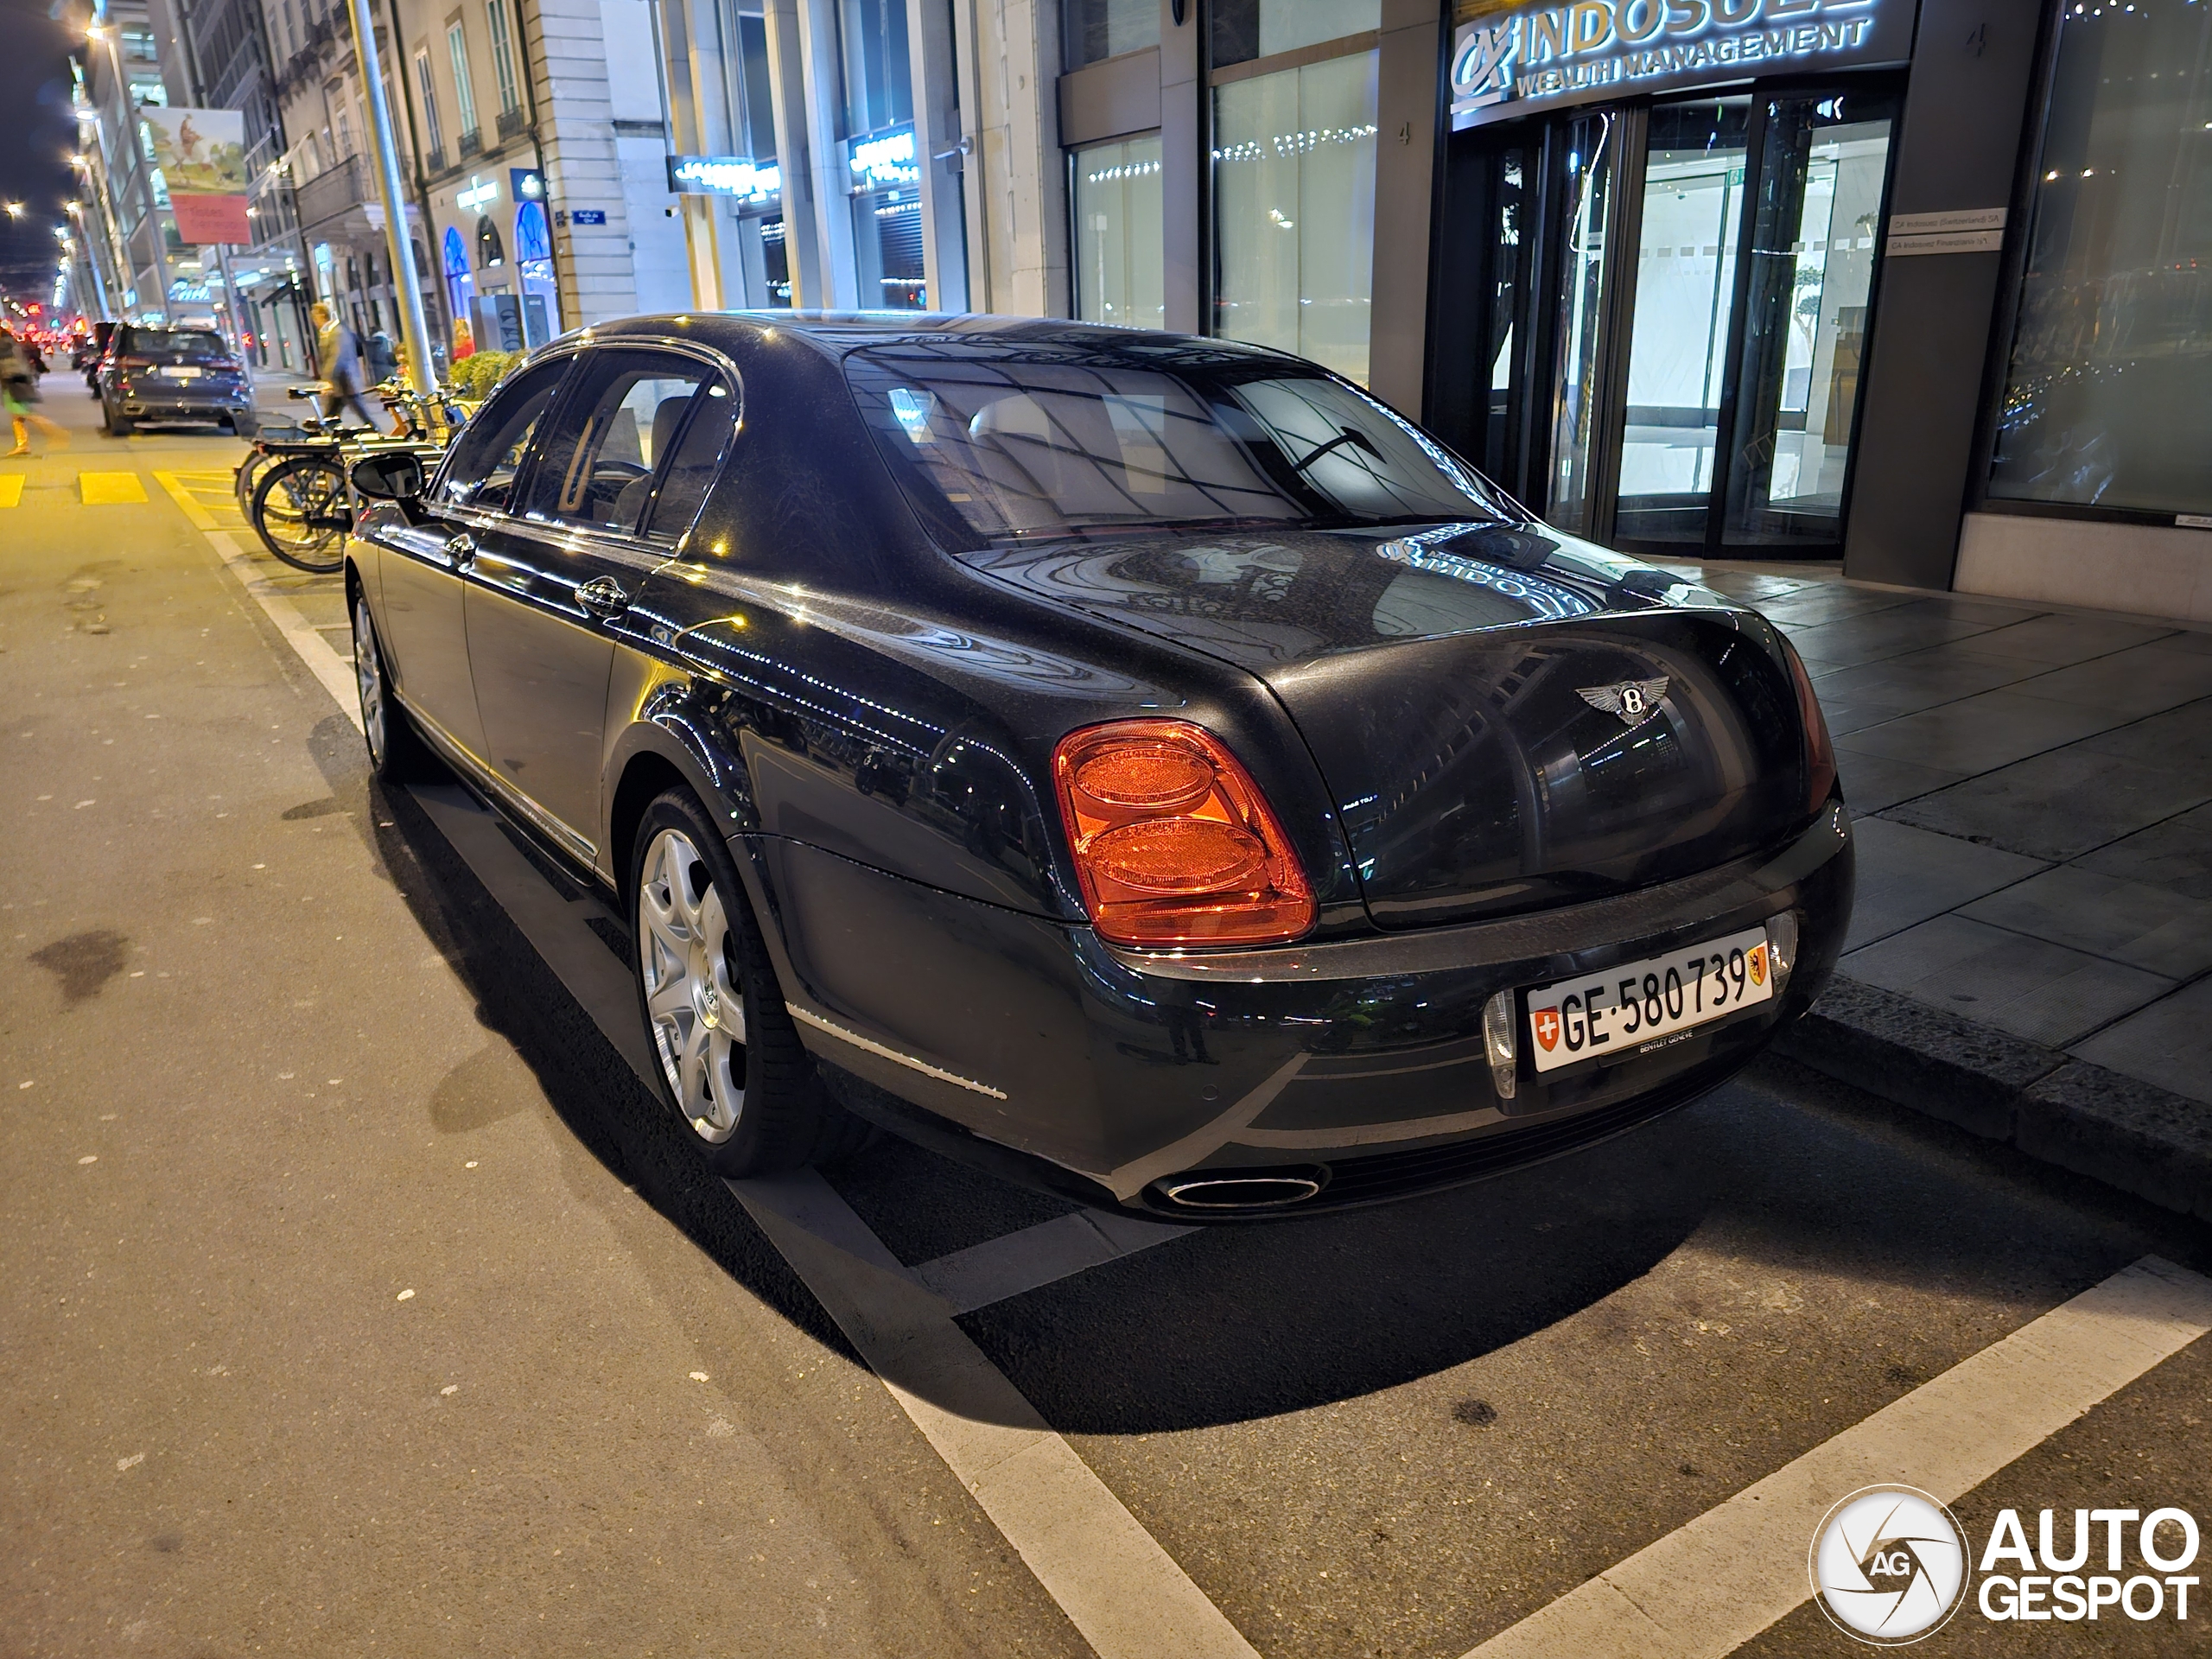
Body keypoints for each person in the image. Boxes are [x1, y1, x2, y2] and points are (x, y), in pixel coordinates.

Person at [312, 302, 394, 433]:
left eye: (315, 317)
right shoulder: (337, 330)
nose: (314, 321)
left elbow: (337, 356)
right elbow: (358, 348)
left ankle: (376, 431)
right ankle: (324, 436)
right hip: (342, 382)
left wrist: (327, 379)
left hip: (345, 382)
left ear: (322, 315)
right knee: (331, 415)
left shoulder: (337, 332)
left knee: (359, 413)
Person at [1, 327, 68, 458]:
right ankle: (23, 444)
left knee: (23, 413)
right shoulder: (11, 342)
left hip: (12, 381)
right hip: (16, 379)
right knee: (17, 416)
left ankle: (57, 433)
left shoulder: (3, 344)